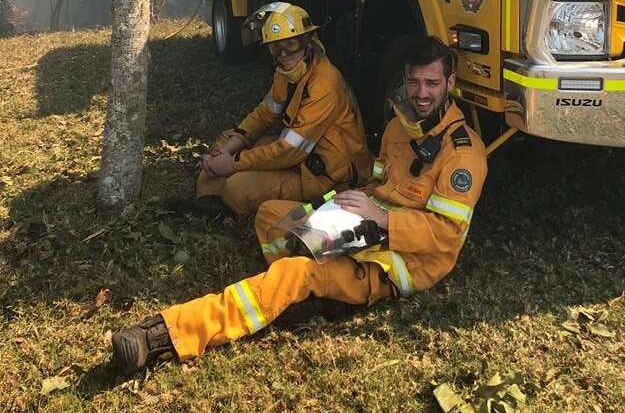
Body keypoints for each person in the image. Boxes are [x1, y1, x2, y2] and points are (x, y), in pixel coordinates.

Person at [111, 36, 488, 374]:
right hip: (362, 230)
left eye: (432, 83)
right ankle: (310, 290)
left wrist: (382, 220)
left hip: (398, 263)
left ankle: (166, 334)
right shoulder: (397, 128)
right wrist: (335, 208)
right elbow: (377, 183)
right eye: (414, 82)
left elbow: (446, 237)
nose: (421, 93)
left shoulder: (463, 155)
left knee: (295, 274)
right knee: (271, 215)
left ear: (450, 84)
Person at [191, 2, 370, 217]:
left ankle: (223, 195)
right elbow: (264, 114)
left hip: (327, 175)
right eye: (275, 47)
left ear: (306, 41)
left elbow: (290, 150)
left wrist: (235, 164)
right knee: (224, 141)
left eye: (291, 44)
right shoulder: (287, 72)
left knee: (237, 189)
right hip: (298, 157)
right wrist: (230, 149)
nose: (283, 54)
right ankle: (207, 200)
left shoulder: (325, 84)